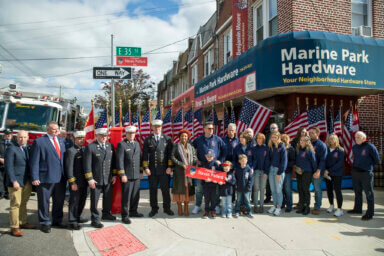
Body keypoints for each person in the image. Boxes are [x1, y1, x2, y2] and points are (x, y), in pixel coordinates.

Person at [30, 121, 67, 233]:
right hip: (45, 177)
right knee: (44, 201)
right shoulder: (39, 142)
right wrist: (35, 177)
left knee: (59, 201)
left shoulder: (61, 141)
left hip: (60, 178)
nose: (56, 131)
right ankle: (45, 222)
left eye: (57, 129)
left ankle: (57, 220)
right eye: (53, 129)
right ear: (47, 130)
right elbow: (34, 161)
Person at [84, 128, 116, 228]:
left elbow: (113, 162)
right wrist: (90, 179)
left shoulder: (109, 146)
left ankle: (106, 214)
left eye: (105, 135)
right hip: (96, 179)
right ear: (96, 135)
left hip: (108, 178)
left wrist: (114, 175)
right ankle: (95, 219)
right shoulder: (90, 147)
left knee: (108, 198)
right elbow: (87, 164)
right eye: (101, 135)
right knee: (94, 200)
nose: (104, 137)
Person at [5, 130, 36, 236]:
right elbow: (9, 167)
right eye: (20, 137)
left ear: (28, 137)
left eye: (24, 137)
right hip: (16, 182)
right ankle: (14, 227)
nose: (22, 139)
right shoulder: (11, 149)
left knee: (23, 203)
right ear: (16, 137)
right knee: (15, 204)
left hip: (26, 181)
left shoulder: (28, 149)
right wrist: (14, 181)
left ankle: (23, 222)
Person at [192, 122, 226, 214]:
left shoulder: (218, 139)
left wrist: (220, 160)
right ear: (204, 129)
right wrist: (196, 160)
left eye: (212, 128)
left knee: (216, 188)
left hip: (214, 167)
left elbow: (224, 150)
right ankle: (198, 205)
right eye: (209, 128)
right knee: (199, 188)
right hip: (201, 168)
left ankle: (216, 206)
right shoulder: (198, 140)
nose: (211, 130)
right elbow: (191, 149)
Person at [142, 119, 174, 217]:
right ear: (152, 128)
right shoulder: (148, 140)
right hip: (152, 170)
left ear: (161, 127)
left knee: (165, 190)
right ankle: (154, 209)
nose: (157, 128)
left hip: (164, 170)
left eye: (159, 126)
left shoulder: (167, 139)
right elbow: (144, 156)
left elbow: (170, 155)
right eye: (155, 126)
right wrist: (146, 168)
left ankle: (167, 208)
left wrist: (170, 167)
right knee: (153, 190)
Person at [348, 131, 379, 221]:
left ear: (363, 138)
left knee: (369, 193)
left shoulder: (370, 147)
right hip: (356, 172)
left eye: (358, 137)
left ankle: (370, 213)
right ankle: (357, 209)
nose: (356, 139)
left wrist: (368, 167)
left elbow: (376, 159)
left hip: (366, 173)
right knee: (357, 192)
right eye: (355, 137)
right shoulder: (355, 147)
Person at [116, 126, 143, 224]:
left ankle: (133, 211)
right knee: (126, 196)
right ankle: (125, 215)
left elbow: (139, 159)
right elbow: (119, 161)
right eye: (129, 133)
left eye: (133, 133)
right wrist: (122, 174)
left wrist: (140, 172)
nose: (131, 135)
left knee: (136, 195)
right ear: (126, 134)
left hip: (136, 175)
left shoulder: (137, 144)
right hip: (126, 176)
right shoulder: (122, 145)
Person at [64, 131, 88, 230]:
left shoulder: (84, 150)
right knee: (74, 201)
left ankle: (78, 216)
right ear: (74, 139)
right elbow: (68, 168)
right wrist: (72, 182)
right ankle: (72, 221)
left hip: (84, 181)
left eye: (83, 138)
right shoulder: (71, 151)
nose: (81, 140)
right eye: (79, 138)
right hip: (76, 182)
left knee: (82, 200)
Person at [171, 129, 197, 216]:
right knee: (179, 190)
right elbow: (172, 157)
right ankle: (179, 208)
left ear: (188, 137)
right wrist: (181, 164)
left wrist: (195, 162)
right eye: (182, 136)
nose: (184, 137)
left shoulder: (191, 147)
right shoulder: (176, 146)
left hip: (189, 172)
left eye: (185, 136)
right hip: (179, 172)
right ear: (179, 137)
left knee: (187, 190)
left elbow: (194, 156)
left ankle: (186, 208)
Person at [267, 131, 287, 216]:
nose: (274, 139)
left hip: (278, 170)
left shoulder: (282, 147)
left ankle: (279, 207)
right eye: (272, 137)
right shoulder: (271, 147)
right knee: (273, 190)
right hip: (271, 170)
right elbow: (269, 159)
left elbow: (284, 161)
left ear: (279, 138)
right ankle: (275, 205)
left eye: (275, 137)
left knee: (279, 190)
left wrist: (279, 173)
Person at [324, 134, 345, 217]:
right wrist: (325, 171)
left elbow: (339, 164)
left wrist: (329, 170)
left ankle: (340, 209)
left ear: (336, 140)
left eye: (332, 139)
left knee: (337, 190)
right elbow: (323, 160)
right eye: (329, 139)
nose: (330, 140)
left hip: (336, 174)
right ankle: (331, 205)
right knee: (329, 190)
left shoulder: (340, 151)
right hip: (327, 174)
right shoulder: (327, 150)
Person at [295, 136, 316, 215]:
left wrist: (314, 172)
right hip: (299, 172)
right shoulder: (299, 150)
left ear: (307, 142)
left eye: (303, 140)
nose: (301, 142)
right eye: (300, 140)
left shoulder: (309, 151)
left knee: (305, 189)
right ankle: (302, 206)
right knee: (300, 189)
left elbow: (313, 162)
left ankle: (307, 207)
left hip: (307, 172)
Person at [309, 127, 327, 215]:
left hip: (317, 171)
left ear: (317, 134)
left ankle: (317, 206)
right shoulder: (309, 143)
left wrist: (319, 171)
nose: (310, 134)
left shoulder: (321, 145)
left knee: (317, 189)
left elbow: (323, 160)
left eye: (312, 133)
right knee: (305, 188)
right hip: (309, 170)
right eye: (310, 132)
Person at [252, 133, 269, 213]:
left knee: (262, 189)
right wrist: (252, 168)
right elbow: (253, 160)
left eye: (261, 138)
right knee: (256, 189)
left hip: (264, 171)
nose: (259, 140)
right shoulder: (254, 148)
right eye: (258, 138)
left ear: (263, 140)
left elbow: (267, 161)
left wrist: (266, 171)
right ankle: (255, 205)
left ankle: (261, 205)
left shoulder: (266, 148)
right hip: (256, 171)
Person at [201, 149, 220, 219]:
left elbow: (219, 174)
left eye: (211, 156)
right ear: (205, 156)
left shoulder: (215, 164)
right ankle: (206, 211)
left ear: (214, 156)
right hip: (206, 185)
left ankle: (213, 211)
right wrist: (205, 179)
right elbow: (201, 174)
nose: (209, 157)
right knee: (206, 198)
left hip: (213, 185)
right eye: (208, 156)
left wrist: (216, 180)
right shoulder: (204, 164)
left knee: (213, 199)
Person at [292, 127, 308, 210]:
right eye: (302, 132)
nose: (304, 133)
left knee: (305, 187)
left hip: (306, 168)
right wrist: (294, 165)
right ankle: (300, 202)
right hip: (297, 166)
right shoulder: (295, 141)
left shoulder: (308, 142)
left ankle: (305, 203)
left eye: (305, 132)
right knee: (299, 186)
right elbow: (293, 153)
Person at [234, 154, 254, 218]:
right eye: (242, 160)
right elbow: (235, 179)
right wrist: (236, 185)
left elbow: (251, 179)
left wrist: (249, 186)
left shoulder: (248, 169)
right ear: (239, 161)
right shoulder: (237, 170)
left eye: (244, 160)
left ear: (247, 160)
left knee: (247, 201)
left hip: (246, 189)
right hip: (239, 188)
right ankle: (237, 211)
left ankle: (249, 212)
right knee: (238, 200)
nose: (243, 162)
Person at [281, 134, 295, 213]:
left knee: (287, 189)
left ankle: (289, 205)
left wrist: (285, 165)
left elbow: (293, 161)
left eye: (285, 139)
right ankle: (283, 202)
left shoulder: (290, 149)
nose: (283, 141)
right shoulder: (280, 148)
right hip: (280, 172)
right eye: (282, 139)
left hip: (287, 172)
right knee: (281, 189)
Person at [0, 128, 14, 200]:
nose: (8, 135)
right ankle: (1, 193)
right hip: (1, 164)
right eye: (6, 134)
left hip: (11, 165)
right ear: (4, 135)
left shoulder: (14, 144)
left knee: (9, 179)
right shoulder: (0, 143)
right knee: (1, 179)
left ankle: (8, 193)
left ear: (12, 135)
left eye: (9, 134)